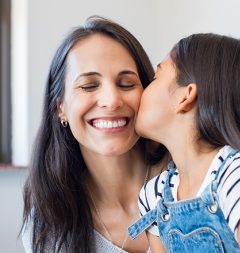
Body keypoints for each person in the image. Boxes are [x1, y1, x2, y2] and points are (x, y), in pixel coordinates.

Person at [21, 16, 167, 253]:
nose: (111, 101)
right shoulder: (49, 222)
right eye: (89, 86)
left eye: (127, 84)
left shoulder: (190, 179)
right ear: (60, 107)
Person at [128, 33, 240, 253]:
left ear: (185, 96)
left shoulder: (239, 180)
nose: (143, 90)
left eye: (155, 78)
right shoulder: (153, 196)